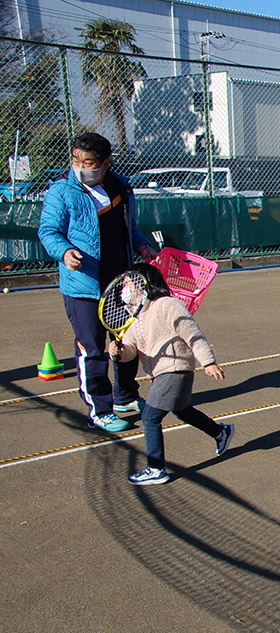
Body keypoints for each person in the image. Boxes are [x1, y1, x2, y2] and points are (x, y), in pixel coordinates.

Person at [37, 132, 159, 433]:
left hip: (122, 283)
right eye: (76, 161)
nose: (80, 167)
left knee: (127, 341)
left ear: (106, 163)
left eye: (88, 162)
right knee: (92, 348)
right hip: (83, 285)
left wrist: (142, 246)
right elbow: (48, 231)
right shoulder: (61, 192)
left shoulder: (121, 187)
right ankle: (99, 409)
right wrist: (64, 252)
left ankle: (125, 396)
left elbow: (130, 229)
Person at [109, 263, 234, 485]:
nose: (123, 289)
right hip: (160, 374)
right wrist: (117, 353)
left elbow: (192, 333)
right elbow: (129, 351)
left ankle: (156, 468)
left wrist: (208, 362)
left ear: (143, 285)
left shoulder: (167, 305)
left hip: (176, 370)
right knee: (182, 411)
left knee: (150, 416)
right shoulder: (134, 318)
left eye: (128, 283)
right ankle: (220, 432)